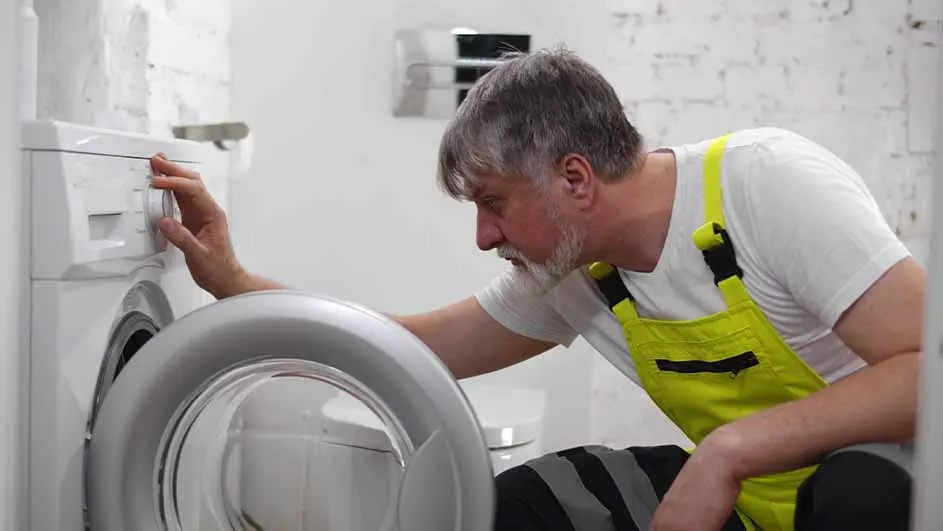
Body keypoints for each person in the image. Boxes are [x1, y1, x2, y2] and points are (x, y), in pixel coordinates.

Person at [149, 48, 920, 531]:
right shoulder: (573, 275)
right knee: (517, 506)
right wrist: (234, 283)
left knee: (856, 492)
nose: (484, 237)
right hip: (750, 504)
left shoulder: (764, 183)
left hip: (890, 493)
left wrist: (724, 451)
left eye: (492, 204)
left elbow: (929, 368)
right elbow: (399, 349)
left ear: (573, 178)